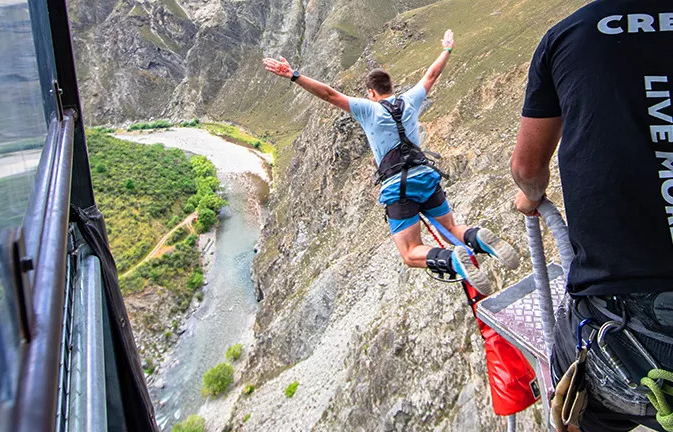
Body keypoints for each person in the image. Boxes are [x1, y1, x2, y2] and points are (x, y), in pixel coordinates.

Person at [511, 2, 673, 431]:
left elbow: (527, 170)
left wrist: (532, 196)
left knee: (574, 401)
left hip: (626, 335)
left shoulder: (568, 36)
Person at [263, 29, 519, 294]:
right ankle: (479, 239)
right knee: (451, 228)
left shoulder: (368, 109)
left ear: (372, 92)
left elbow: (329, 94)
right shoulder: (410, 100)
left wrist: (293, 75)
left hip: (398, 187)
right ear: (392, 87)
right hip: (426, 177)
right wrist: (447, 49)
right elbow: (432, 74)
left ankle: (453, 260)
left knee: (409, 253)